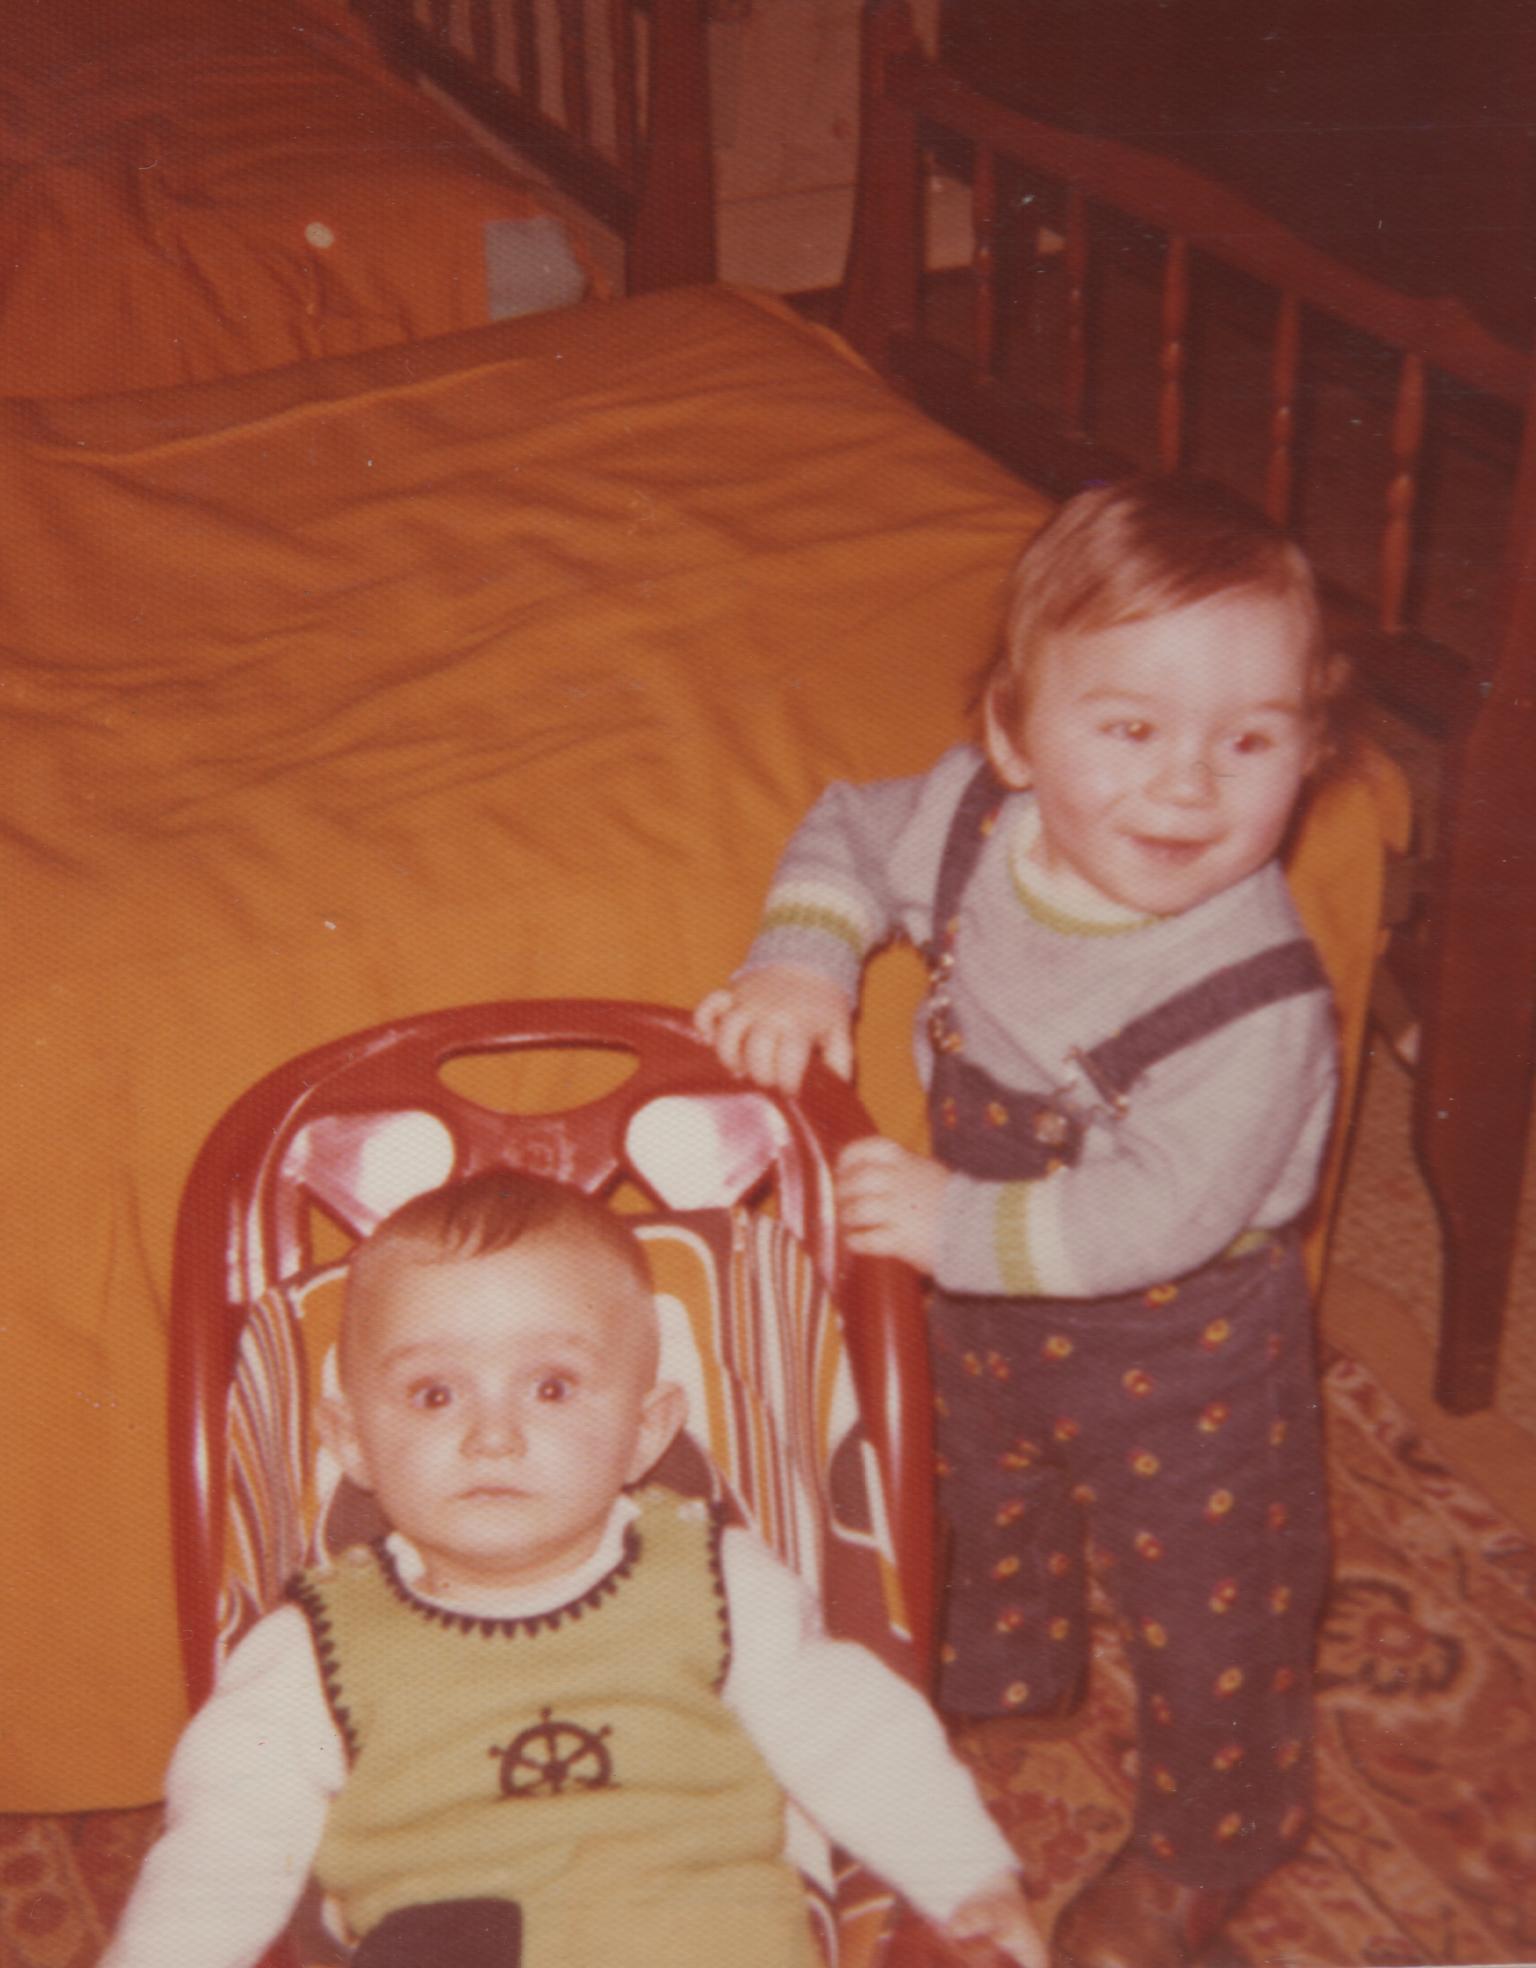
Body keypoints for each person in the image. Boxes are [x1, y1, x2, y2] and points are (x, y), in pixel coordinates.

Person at [697, 478, 1344, 1968]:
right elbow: (849, 831)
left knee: (1215, 1599)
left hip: (1182, 1337)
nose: (1189, 787)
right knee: (976, 1493)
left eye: (1250, 742)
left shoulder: (1256, 997)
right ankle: (1005, 1675)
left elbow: (1161, 1212)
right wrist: (803, 958)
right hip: (984, 1291)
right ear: (1013, 734)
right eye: (1129, 728)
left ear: (1312, 753)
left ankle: (1215, 1834)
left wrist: (949, 1223)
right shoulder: (972, 821)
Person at [104, 1168, 1042, 1968]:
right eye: (433, 1394)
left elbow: (851, 1730)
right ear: (351, 1440)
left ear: (645, 1431)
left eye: (551, 1387)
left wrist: (964, 1873)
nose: (494, 1434)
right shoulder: (315, 1644)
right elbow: (227, 1838)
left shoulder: (712, 1580)